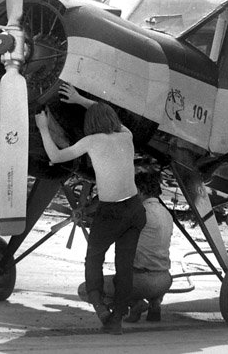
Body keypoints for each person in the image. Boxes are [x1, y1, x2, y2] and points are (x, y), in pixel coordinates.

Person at [35, 82, 146, 335]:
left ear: (91, 123)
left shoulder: (92, 141)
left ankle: (99, 306)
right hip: (134, 209)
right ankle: (117, 318)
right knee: (124, 266)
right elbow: (106, 113)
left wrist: (43, 129)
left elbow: (55, 157)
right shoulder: (126, 135)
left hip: (111, 213)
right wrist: (80, 99)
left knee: (94, 258)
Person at [77, 164, 174, 322]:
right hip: (165, 280)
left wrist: (88, 219)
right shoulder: (166, 214)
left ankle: (135, 304)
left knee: (85, 289)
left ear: (140, 192)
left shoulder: (139, 213)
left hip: (142, 282)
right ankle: (154, 303)